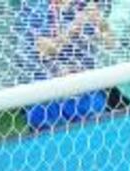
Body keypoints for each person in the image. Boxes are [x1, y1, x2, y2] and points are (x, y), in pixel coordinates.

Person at [18, 0, 114, 130]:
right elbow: (44, 50)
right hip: (47, 92)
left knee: (95, 122)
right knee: (51, 132)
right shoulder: (36, 7)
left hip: (84, 88)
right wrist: (76, 25)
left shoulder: (88, 4)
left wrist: (102, 24)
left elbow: (110, 43)